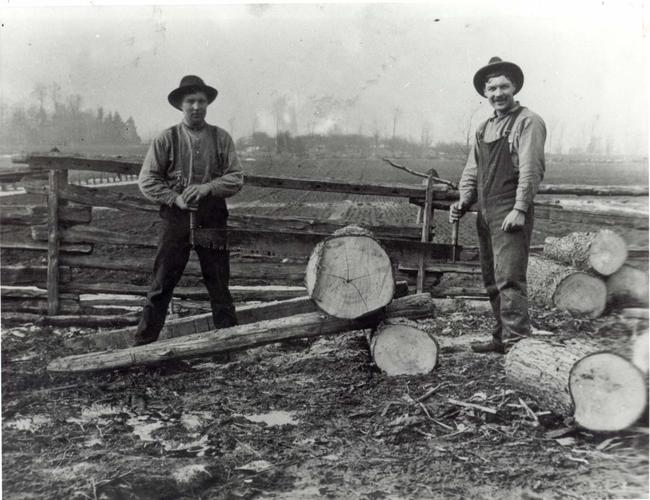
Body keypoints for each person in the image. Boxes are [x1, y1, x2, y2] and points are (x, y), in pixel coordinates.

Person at [133, 75, 244, 346]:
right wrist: (175, 198)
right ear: (181, 106)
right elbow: (147, 180)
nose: (197, 107)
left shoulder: (220, 138)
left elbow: (236, 177)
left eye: (202, 101)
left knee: (218, 282)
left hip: (213, 215)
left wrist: (207, 188)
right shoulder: (166, 138)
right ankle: (143, 347)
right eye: (191, 101)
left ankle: (229, 346)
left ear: (208, 104)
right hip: (176, 217)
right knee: (162, 282)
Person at [449, 57, 546, 354]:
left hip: (509, 208)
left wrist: (519, 208)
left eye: (504, 86)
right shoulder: (484, 127)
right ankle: (501, 338)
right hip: (486, 211)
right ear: (485, 93)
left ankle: (518, 348)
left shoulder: (527, 121)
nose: (498, 93)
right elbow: (472, 169)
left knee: (510, 278)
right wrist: (464, 199)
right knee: (491, 279)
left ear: (514, 86)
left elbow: (531, 169)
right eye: (492, 88)